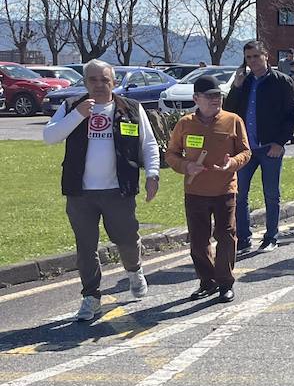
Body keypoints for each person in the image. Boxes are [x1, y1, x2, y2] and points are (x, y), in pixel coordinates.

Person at [43, 59, 160, 322]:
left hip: (119, 190)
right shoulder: (71, 106)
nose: (98, 85)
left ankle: (134, 269)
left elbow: (149, 144)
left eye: (104, 80)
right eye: (92, 80)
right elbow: (49, 136)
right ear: (84, 82)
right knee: (86, 247)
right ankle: (91, 297)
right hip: (80, 192)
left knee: (127, 239)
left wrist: (152, 174)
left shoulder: (130, 109)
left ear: (114, 82)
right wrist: (78, 115)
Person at [165, 75, 251, 302]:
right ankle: (207, 281)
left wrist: (232, 163)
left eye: (218, 95)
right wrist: (186, 165)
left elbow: (245, 151)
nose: (216, 99)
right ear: (196, 98)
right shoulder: (185, 123)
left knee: (226, 236)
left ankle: (225, 283)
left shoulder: (233, 120)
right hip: (195, 192)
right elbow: (171, 154)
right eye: (210, 96)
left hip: (225, 189)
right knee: (198, 240)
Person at [225, 39, 294, 253]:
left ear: (266, 56)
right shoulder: (244, 82)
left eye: (256, 56)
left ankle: (271, 237)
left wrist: (279, 142)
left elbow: (292, 117)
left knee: (271, 194)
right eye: (248, 58)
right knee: (239, 195)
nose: (253, 61)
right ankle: (243, 238)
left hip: (270, 148)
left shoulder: (282, 82)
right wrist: (236, 88)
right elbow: (229, 114)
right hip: (245, 150)